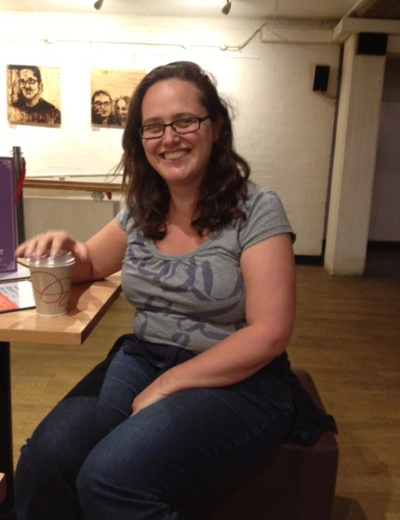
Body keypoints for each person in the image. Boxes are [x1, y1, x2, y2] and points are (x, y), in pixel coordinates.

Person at [15, 61, 336, 520]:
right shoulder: (143, 207)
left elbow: (269, 333)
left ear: (216, 128)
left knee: (109, 478)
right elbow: (90, 263)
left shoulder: (257, 209)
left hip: (240, 377)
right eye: (153, 127)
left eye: (185, 121)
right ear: (140, 139)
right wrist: (69, 248)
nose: (169, 138)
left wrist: (168, 385)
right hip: (144, 356)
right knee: (46, 458)